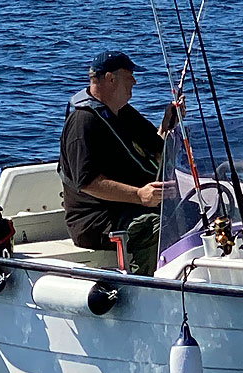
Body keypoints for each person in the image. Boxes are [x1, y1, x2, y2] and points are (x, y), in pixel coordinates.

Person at [58, 50, 180, 275]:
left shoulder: (123, 113)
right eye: (129, 76)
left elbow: (156, 151)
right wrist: (139, 195)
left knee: (197, 213)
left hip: (135, 206)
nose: (134, 81)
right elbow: (87, 182)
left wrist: (166, 127)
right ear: (110, 79)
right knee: (157, 228)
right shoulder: (82, 122)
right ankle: (150, 285)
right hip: (97, 220)